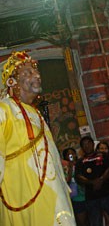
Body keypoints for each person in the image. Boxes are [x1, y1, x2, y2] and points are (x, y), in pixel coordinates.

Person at [0, 51, 76, 225]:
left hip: (54, 192)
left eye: (35, 71)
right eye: (27, 73)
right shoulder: (3, 110)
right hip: (23, 196)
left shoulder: (37, 113)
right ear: (12, 82)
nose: (37, 75)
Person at [75, 136, 109, 226]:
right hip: (92, 198)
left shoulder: (104, 155)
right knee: (96, 223)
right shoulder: (80, 162)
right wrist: (91, 182)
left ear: (93, 144)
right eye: (84, 144)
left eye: (88, 143)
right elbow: (78, 176)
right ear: (82, 147)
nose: (87, 146)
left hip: (108, 194)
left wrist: (101, 179)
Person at [62, 148, 89, 226]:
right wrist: (70, 168)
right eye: (69, 154)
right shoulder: (64, 168)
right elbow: (67, 182)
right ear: (65, 156)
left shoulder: (81, 163)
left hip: (88, 195)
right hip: (76, 198)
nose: (71, 156)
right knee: (81, 221)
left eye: (73, 153)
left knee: (91, 219)